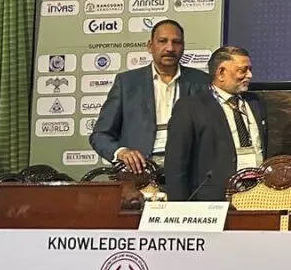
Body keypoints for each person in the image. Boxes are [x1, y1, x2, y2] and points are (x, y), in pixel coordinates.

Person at [89, 20, 210, 171]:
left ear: (183, 46)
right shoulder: (127, 83)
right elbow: (100, 135)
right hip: (140, 171)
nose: (170, 48)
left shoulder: (202, 82)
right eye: (162, 41)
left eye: (176, 42)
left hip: (190, 169)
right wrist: (121, 152)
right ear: (150, 46)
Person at [165, 46, 268, 201]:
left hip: (258, 195)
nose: (250, 75)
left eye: (250, 70)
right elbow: (176, 164)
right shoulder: (190, 107)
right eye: (243, 70)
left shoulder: (256, 103)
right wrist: (179, 207)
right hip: (212, 200)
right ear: (221, 73)